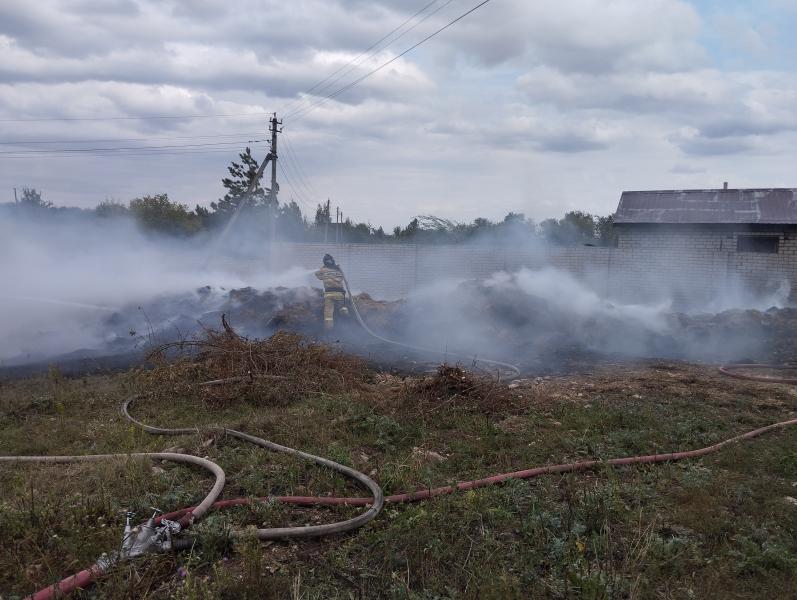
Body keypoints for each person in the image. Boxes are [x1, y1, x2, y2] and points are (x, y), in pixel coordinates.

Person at [315, 254, 349, 330]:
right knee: (343, 307)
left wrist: (323, 268)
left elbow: (318, 275)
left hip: (328, 294)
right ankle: (345, 316)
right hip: (340, 294)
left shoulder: (323, 270)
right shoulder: (338, 270)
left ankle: (329, 329)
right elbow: (342, 278)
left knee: (328, 315)